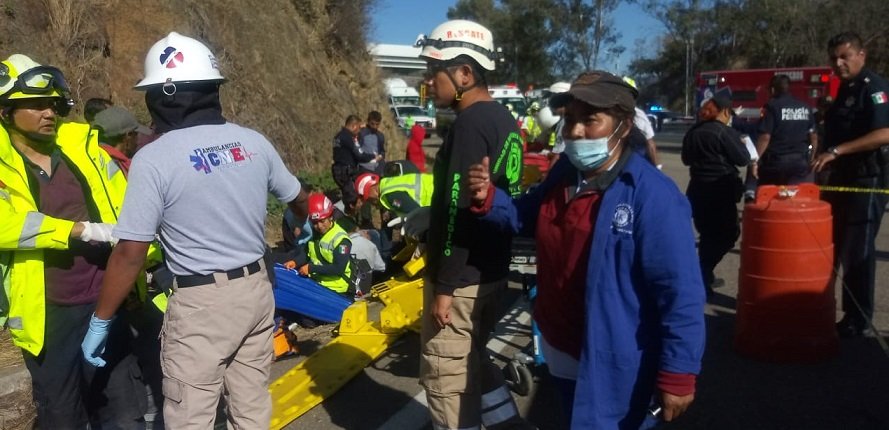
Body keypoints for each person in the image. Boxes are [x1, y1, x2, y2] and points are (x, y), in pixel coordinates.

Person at [80, 32, 309, 428]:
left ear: (165, 95)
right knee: (251, 405)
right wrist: (301, 224)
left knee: (191, 416)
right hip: (257, 289)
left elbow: (131, 251)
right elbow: (299, 198)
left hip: (203, 304)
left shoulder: (154, 158)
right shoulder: (252, 141)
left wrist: (101, 319)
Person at [467, 70, 706, 429]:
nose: (575, 132)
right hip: (561, 347)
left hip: (616, 361)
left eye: (590, 120)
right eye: (570, 121)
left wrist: (679, 371)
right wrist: (491, 200)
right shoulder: (565, 171)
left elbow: (680, 291)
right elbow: (526, 215)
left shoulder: (653, 196)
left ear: (623, 126)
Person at [0, 54, 146, 429]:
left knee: (124, 414)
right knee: (62, 416)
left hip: (107, 300)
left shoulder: (86, 152)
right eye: (35, 105)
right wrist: (78, 230)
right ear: (5, 111)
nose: (49, 113)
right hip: (49, 315)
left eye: (53, 104)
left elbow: (129, 211)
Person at [415, 19, 530, 429]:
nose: (430, 81)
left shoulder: (468, 124)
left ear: (465, 73)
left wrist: (444, 286)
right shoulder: (504, 118)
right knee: (475, 362)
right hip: (492, 272)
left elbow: (456, 214)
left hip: (460, 281)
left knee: (447, 383)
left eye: (436, 71)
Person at [812, 32, 889, 338]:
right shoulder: (844, 89)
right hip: (840, 179)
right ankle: (836, 311)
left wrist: (836, 151)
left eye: (845, 56)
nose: (838, 63)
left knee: (858, 250)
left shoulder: (875, 89)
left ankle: (859, 319)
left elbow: (884, 133)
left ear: (861, 56)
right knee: (837, 246)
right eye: (834, 58)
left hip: (866, 180)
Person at [681, 95, 751, 295]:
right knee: (728, 235)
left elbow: (686, 160)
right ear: (725, 111)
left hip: (697, 191)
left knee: (707, 235)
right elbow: (743, 159)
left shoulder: (693, 132)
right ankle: (702, 274)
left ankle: (705, 275)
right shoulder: (725, 132)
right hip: (720, 192)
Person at [285, 193, 356, 296]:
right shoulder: (316, 235)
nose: (319, 226)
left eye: (322, 221)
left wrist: (311, 268)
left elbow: (338, 268)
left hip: (338, 290)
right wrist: (295, 262)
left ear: (330, 217)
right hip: (319, 284)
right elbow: (307, 253)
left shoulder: (341, 240)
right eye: (315, 222)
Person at [755, 74, 818, 185]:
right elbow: (813, 136)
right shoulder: (805, 107)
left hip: (776, 163)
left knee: (771, 195)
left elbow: (765, 137)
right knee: (796, 196)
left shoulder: (772, 106)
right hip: (800, 161)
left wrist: (755, 160)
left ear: (773, 90)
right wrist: (812, 156)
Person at [93, 105, 152, 177]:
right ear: (128, 136)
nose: (137, 140)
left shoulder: (94, 159)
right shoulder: (117, 169)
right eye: (135, 134)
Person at [332, 114, 380, 203]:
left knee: (347, 196)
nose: (359, 131)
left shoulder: (338, 136)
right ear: (353, 126)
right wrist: (373, 156)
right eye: (358, 128)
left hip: (338, 170)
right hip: (346, 172)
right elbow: (359, 155)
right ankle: (347, 213)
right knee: (352, 199)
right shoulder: (348, 137)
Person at [354, 170, 434, 218]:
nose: (371, 203)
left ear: (373, 189)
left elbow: (416, 212)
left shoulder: (391, 197)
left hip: (439, 197)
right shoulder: (389, 183)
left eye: (369, 199)